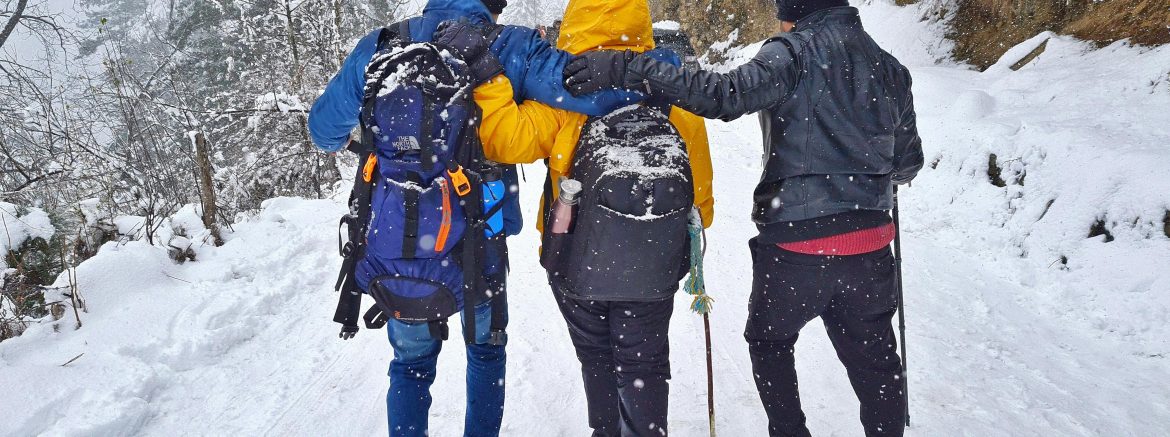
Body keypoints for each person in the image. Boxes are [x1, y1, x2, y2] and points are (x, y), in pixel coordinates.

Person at [562, 0, 925, 436]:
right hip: (869, 246)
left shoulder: (791, 52)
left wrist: (629, 68)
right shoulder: (889, 68)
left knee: (770, 342)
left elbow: (722, 95)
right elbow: (907, 163)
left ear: (795, 11)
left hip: (797, 243)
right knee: (877, 360)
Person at [307, 1, 658, 435]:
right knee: (487, 354)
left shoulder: (382, 46)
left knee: (410, 364)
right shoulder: (509, 45)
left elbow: (323, 131)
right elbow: (593, 95)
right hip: (479, 238)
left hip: (400, 238)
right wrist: (660, 70)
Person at [435, 1, 714, 435]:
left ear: (575, 28)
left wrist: (488, 74)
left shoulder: (567, 97)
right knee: (646, 361)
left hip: (576, 261)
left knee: (597, 356)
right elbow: (702, 208)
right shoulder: (677, 100)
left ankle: (605, 428)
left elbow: (502, 140)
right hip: (652, 269)